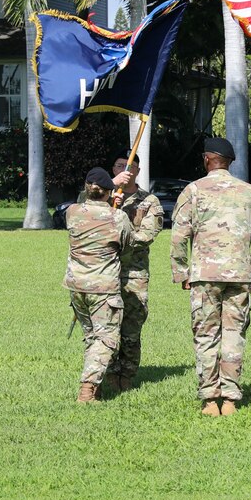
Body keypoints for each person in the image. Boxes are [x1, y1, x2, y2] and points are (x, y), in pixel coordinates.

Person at [171, 138, 251, 416]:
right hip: (239, 276)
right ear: (229, 162)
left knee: (206, 334)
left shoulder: (193, 190)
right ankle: (231, 399)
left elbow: (179, 236)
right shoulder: (249, 192)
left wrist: (182, 272)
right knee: (234, 334)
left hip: (205, 275)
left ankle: (210, 399)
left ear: (206, 159)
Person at [64, 167, 133, 403]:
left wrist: (107, 195)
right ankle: (87, 388)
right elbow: (127, 246)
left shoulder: (72, 212)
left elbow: (84, 203)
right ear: (109, 192)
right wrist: (116, 206)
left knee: (92, 337)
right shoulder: (118, 217)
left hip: (77, 286)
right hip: (103, 288)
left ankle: (97, 388)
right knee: (106, 340)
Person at [102, 150, 163, 393]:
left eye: (128, 166)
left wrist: (117, 235)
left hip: (133, 274)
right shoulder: (100, 197)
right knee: (105, 325)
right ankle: (106, 373)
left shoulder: (148, 201)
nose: (123, 170)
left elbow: (147, 235)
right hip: (104, 272)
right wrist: (108, 192)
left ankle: (126, 375)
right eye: (118, 165)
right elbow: (82, 215)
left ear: (137, 171)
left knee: (131, 327)